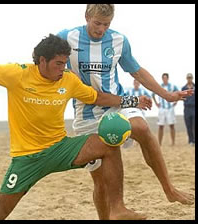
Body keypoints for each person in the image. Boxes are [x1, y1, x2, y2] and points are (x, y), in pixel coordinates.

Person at [0, 34, 153, 220]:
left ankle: (117, 208)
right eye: (58, 63)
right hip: (27, 158)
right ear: (42, 61)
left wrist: (132, 101)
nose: (63, 68)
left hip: (61, 148)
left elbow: (97, 98)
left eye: (65, 62)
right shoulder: (17, 74)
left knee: (108, 144)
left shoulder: (68, 80)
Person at [57, 4, 194, 219]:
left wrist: (166, 95)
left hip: (118, 104)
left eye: (106, 24)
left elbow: (137, 71)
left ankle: (169, 189)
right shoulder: (67, 37)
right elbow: (51, 67)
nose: (101, 29)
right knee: (100, 181)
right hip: (86, 115)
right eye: (97, 23)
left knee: (141, 126)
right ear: (86, 17)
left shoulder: (119, 40)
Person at [152, 73, 179, 146]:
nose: (164, 79)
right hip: (162, 108)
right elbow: (153, 94)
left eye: (166, 78)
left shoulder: (172, 86)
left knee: (172, 125)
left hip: (170, 108)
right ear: (162, 79)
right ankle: (159, 143)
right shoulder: (160, 86)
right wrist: (156, 103)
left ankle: (173, 142)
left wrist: (176, 101)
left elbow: (178, 93)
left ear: (168, 78)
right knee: (161, 126)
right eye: (163, 78)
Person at [181, 73, 195, 146]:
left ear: (192, 78)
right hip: (187, 108)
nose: (189, 79)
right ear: (187, 78)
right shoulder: (183, 88)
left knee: (194, 125)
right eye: (188, 78)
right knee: (188, 125)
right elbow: (182, 97)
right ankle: (191, 140)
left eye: (190, 78)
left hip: (194, 108)